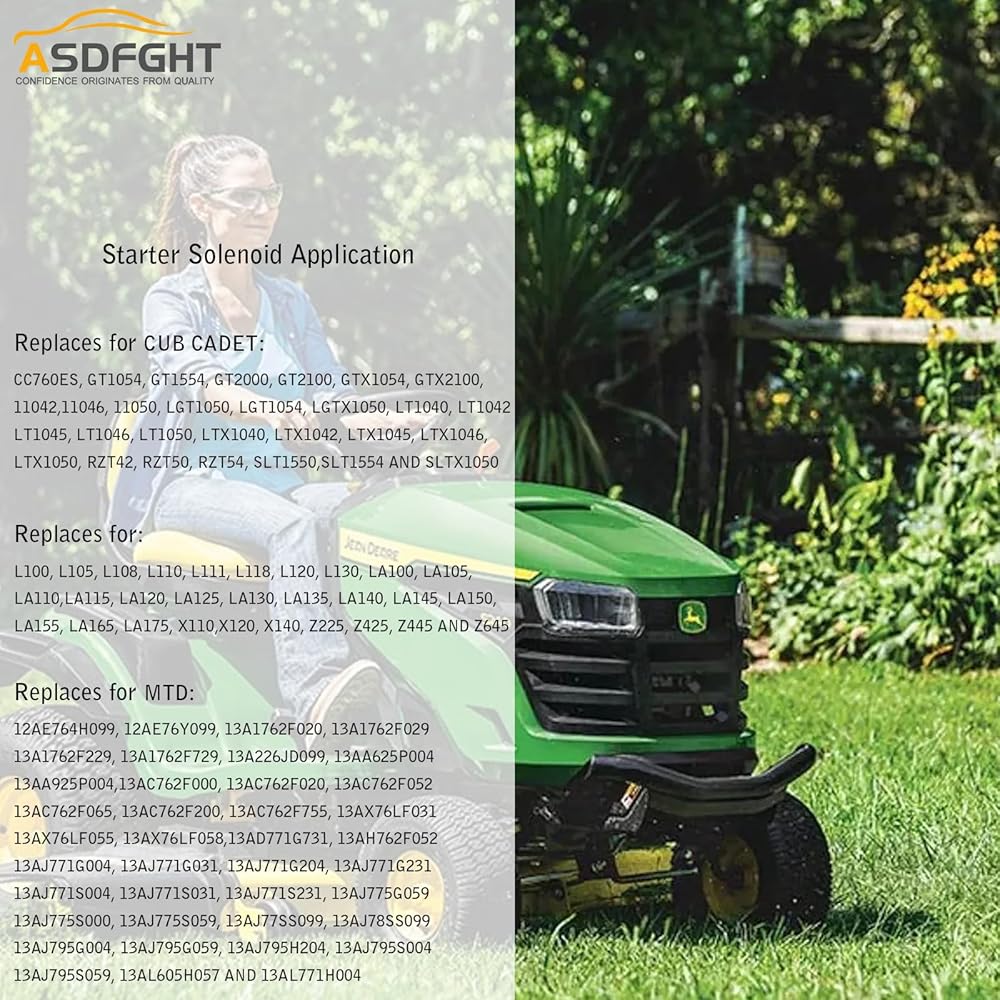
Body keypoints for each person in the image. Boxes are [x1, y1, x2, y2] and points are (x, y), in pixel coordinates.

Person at [141, 133, 406, 727]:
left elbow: (333, 395)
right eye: (245, 196)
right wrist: (274, 412)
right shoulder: (171, 298)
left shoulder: (289, 301)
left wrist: (395, 421)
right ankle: (314, 693)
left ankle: (398, 683)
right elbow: (201, 380)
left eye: (270, 193)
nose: (263, 209)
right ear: (201, 205)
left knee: (379, 510)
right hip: (193, 486)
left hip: (279, 484)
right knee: (291, 526)